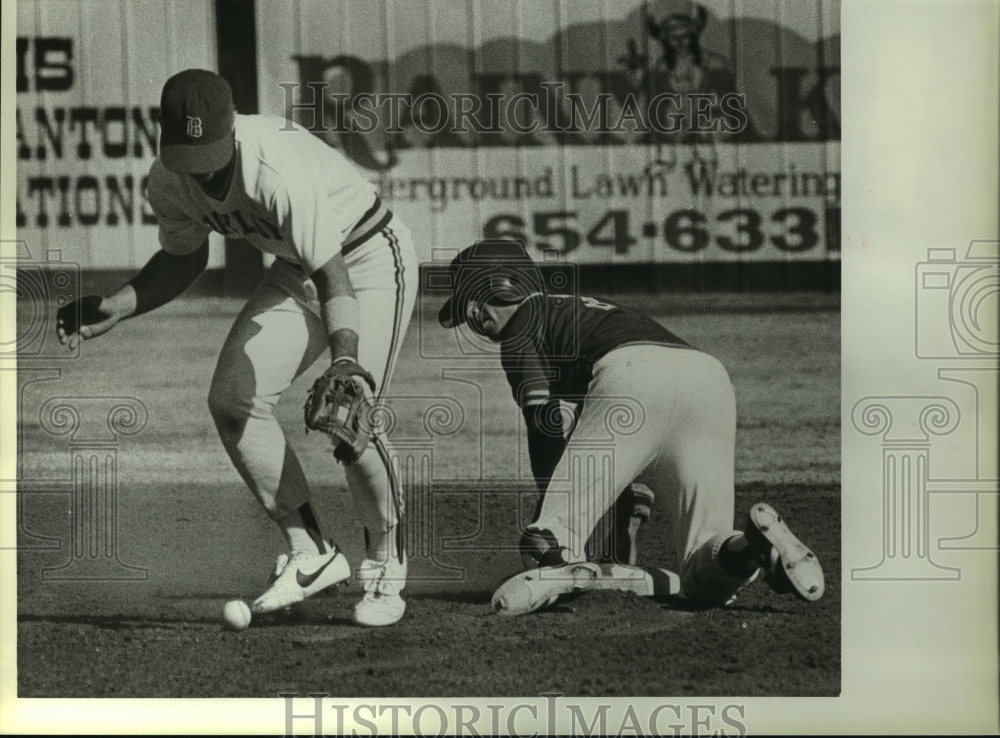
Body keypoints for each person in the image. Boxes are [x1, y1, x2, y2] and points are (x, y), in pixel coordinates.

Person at [55, 69, 417, 627]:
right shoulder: (169, 179)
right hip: (298, 268)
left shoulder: (276, 168)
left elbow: (334, 278)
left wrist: (346, 360)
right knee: (233, 399)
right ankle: (311, 551)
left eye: (213, 155)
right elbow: (186, 257)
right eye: (189, 156)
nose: (203, 171)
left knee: (354, 413)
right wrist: (117, 305)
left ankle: (384, 565)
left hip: (366, 257)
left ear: (232, 129)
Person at [436, 239, 824, 615]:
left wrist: (554, 511)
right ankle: (752, 550)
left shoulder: (521, 326)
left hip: (630, 376)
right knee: (704, 576)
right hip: (709, 380)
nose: (471, 317)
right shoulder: (583, 312)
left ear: (494, 287)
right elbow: (618, 443)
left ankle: (572, 569)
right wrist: (626, 519)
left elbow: (546, 424)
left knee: (544, 541)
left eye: (469, 301)